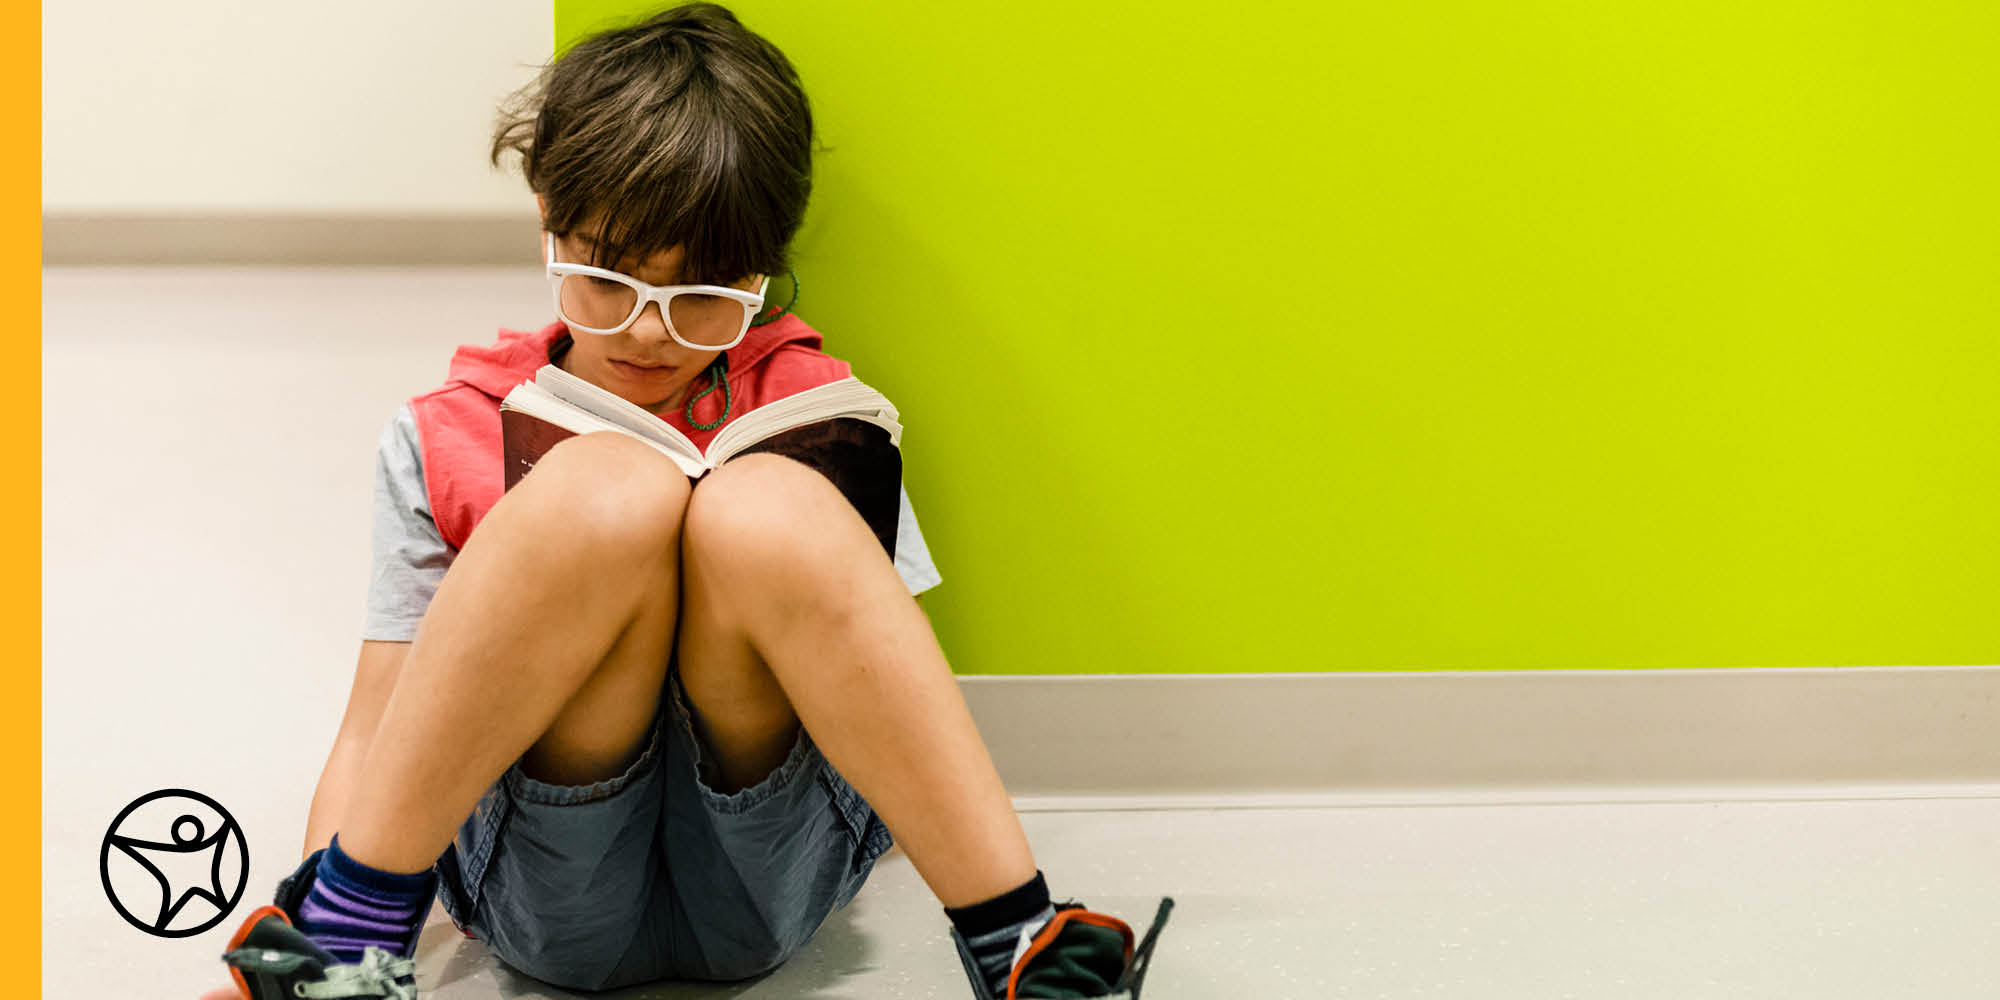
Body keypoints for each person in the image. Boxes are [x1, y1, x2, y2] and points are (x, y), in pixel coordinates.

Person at [202, 5, 1168, 999]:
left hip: (763, 867)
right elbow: (374, 721)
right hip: (546, 879)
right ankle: (344, 946)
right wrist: (319, 899)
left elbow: (881, 689)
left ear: (761, 268)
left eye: (702, 293)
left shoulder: (812, 413)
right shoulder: (446, 429)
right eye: (606, 280)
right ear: (547, 221)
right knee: (604, 485)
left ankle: (1019, 944)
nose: (648, 333)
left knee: (762, 508)